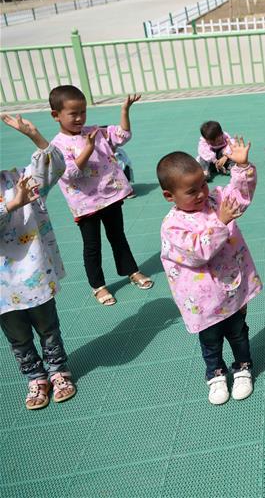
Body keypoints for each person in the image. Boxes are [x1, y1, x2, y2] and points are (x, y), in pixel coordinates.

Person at [157, 138, 261, 405]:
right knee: (211, 340)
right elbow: (197, 252)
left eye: (202, 183)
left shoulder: (215, 198)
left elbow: (239, 198)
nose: (202, 193)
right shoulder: (172, 225)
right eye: (191, 191)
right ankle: (215, 376)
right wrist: (221, 223)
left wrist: (241, 167)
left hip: (231, 289)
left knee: (238, 332)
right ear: (170, 196)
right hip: (202, 300)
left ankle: (243, 367)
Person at [49, 85, 154, 306]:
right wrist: (87, 149)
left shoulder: (95, 131)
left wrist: (125, 110)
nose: (79, 118)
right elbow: (70, 173)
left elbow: (123, 136)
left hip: (110, 196)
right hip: (85, 205)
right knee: (92, 246)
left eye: (83, 112)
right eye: (73, 113)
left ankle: (131, 271)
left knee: (118, 236)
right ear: (56, 115)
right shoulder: (56, 147)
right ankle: (98, 286)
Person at [0, 114, 76, 410]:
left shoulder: (16, 179)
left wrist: (35, 136)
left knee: (48, 327)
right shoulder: (12, 194)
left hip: (34, 275)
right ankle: (35, 376)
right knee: (18, 337)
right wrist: (10, 205)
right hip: (4, 291)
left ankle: (58, 370)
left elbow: (55, 168)